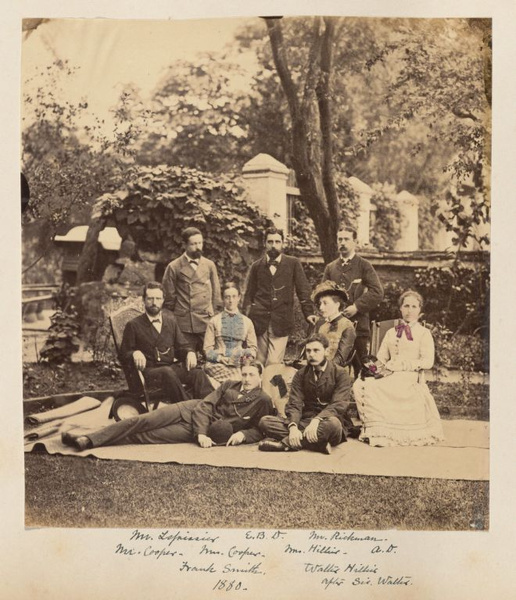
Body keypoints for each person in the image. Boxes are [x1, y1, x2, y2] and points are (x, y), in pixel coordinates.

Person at [61, 360, 273, 451]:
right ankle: (89, 438)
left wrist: (243, 436)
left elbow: (258, 428)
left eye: (251, 375)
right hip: (190, 411)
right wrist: (201, 434)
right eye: (244, 373)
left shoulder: (262, 400)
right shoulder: (229, 384)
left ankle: (89, 437)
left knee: (147, 437)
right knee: (141, 421)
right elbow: (205, 405)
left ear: (260, 376)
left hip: (197, 430)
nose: (246, 379)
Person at [352, 290, 444, 447]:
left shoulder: (423, 333)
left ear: (420, 310)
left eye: (414, 306)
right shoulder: (391, 332)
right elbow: (381, 359)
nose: (410, 310)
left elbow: (427, 362)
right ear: (400, 308)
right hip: (389, 372)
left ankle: (395, 432)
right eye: (406, 306)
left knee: (390, 385)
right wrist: (373, 367)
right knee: (363, 384)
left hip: (409, 374)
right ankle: (378, 430)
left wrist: (402, 365)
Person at [258, 333, 355, 454]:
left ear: (326, 351)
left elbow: (338, 404)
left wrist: (317, 420)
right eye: (308, 351)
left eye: (316, 350)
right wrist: (293, 427)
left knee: (333, 425)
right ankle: (317, 444)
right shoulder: (301, 374)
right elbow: (294, 403)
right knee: (265, 422)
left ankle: (284, 444)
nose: (311, 354)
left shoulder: (340, 373)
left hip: (329, 420)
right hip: (306, 420)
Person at [120, 282, 214, 404]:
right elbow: (123, 354)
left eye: (158, 298)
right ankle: (186, 408)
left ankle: (212, 406)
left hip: (169, 369)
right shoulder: (133, 325)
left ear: (163, 300)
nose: (154, 302)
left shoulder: (170, 322)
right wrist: (134, 353)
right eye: (150, 298)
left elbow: (182, 345)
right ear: (144, 300)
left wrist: (189, 352)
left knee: (198, 374)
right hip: (149, 373)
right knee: (167, 372)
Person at [243, 227, 316, 366]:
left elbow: (303, 290)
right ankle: (258, 388)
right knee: (257, 362)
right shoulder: (256, 266)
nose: (274, 245)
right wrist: (245, 319)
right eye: (270, 241)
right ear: (265, 243)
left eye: (277, 241)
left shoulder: (293, 263)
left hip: (281, 320)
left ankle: (274, 388)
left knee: (274, 363)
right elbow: (249, 295)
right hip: (259, 320)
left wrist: (309, 313)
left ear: (283, 243)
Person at [322, 226, 383, 369]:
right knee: (332, 365)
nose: (342, 243)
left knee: (361, 367)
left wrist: (357, 307)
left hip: (358, 325)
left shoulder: (364, 266)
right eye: (340, 239)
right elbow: (322, 294)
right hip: (334, 327)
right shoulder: (330, 268)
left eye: (346, 239)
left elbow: (377, 292)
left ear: (354, 242)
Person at [162, 227, 222, 353]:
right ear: (184, 245)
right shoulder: (174, 266)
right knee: (187, 359)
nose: (198, 247)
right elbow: (169, 297)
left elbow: (216, 294)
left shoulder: (209, 265)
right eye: (193, 244)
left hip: (206, 320)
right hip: (185, 323)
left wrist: (216, 316)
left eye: (200, 243)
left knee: (211, 357)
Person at [203, 282, 258, 383]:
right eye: (227, 297)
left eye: (234, 296)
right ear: (223, 299)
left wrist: (244, 357)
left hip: (239, 364)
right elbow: (207, 350)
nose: (231, 300)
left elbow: (253, 348)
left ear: (239, 297)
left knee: (252, 376)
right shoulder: (214, 321)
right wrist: (220, 358)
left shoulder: (247, 322)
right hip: (218, 364)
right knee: (237, 380)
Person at [311, 280, 356, 368]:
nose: (321, 307)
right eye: (320, 304)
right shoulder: (322, 326)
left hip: (336, 373)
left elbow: (341, 359)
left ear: (337, 305)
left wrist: (321, 369)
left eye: (325, 303)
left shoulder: (347, 326)